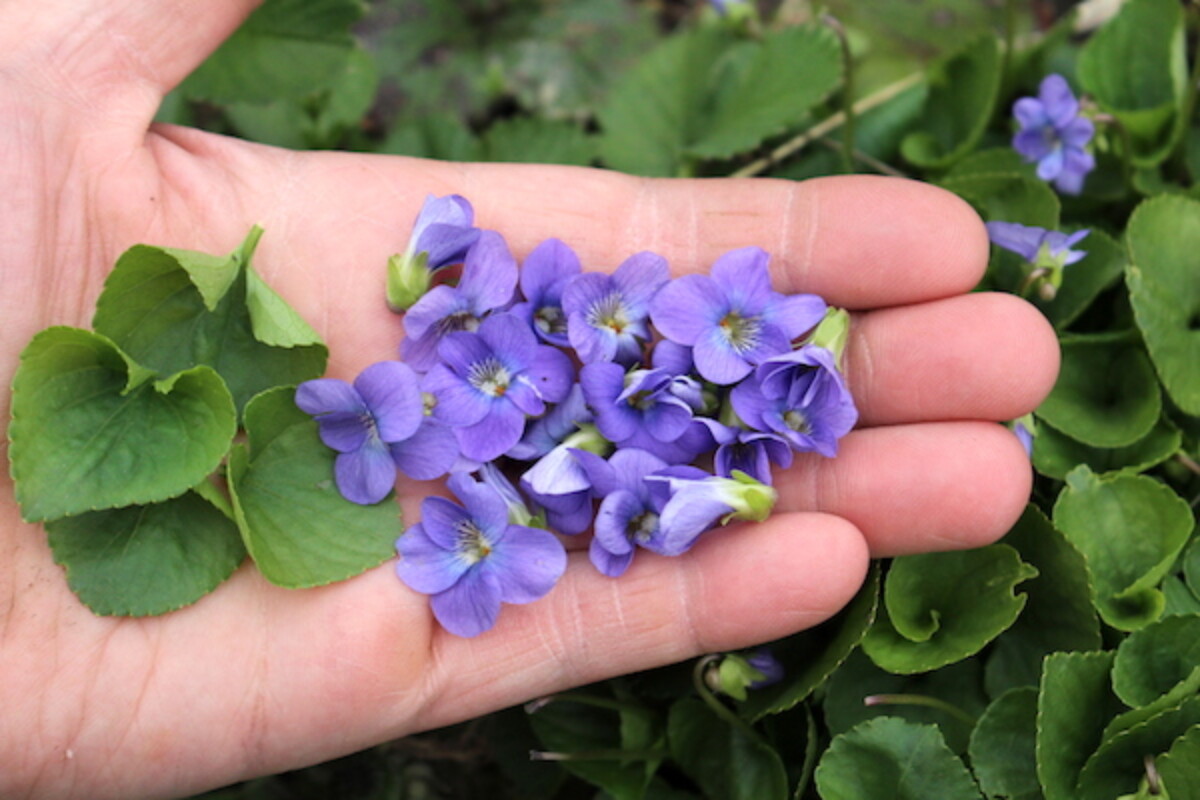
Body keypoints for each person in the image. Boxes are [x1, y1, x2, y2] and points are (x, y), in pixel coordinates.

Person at [0, 2, 1060, 798]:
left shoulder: (644, 367)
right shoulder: (448, 405)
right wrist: (545, 391)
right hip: (569, 428)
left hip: (620, 426)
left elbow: (584, 398)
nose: (500, 379)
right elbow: (478, 399)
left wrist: (681, 425)